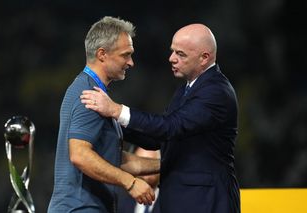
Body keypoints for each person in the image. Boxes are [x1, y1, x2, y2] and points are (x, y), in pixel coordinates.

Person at [81, 23, 240, 213]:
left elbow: (170, 127)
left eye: (180, 54)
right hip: (183, 199)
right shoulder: (186, 90)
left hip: (205, 202)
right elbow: (158, 137)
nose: (171, 58)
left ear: (204, 58)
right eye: (172, 51)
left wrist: (117, 110)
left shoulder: (216, 91)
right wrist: (111, 122)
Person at [48, 16, 160, 213]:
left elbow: (115, 160)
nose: (131, 62)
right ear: (102, 54)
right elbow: (80, 155)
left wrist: (168, 164)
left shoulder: (97, 96)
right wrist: (130, 183)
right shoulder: (87, 94)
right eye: (125, 55)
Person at [117, 147, 161, 213]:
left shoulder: (171, 199)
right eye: (140, 164)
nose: (144, 171)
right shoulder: (121, 200)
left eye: (148, 163)